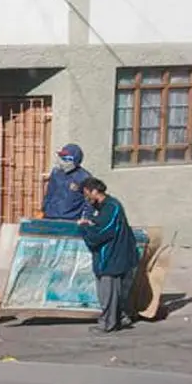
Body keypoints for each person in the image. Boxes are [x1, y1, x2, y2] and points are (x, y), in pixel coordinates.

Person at [77, 177, 140, 335]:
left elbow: (103, 232)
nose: (86, 197)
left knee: (108, 293)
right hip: (106, 257)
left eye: (87, 193)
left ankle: (108, 324)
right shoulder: (102, 207)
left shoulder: (112, 207)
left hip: (112, 256)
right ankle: (116, 319)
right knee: (107, 292)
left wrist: (84, 228)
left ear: (95, 191)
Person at [42, 143, 92, 220]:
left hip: (71, 219)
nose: (62, 161)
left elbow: (89, 202)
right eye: (61, 157)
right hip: (50, 216)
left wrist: (85, 218)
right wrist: (45, 208)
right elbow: (49, 194)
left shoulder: (84, 177)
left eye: (66, 159)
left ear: (75, 160)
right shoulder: (56, 173)